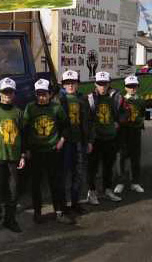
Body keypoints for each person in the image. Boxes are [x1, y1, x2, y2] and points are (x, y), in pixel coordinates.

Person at [24, 79, 74, 225]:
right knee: (36, 184)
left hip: (52, 150)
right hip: (36, 151)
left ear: (50, 94)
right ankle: (37, 213)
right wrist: (26, 149)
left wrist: (62, 140)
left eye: (44, 94)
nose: (41, 97)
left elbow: (66, 125)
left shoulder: (56, 108)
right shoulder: (30, 108)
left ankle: (59, 212)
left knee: (56, 183)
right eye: (39, 94)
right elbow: (25, 129)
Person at [0, 77, 25, 234]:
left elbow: (23, 135)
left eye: (10, 92)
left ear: (14, 94)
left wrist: (22, 155)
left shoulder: (18, 113)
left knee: (13, 192)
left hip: (14, 159)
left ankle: (10, 220)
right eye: (5, 92)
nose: (7, 94)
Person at [86, 71, 124, 204]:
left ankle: (108, 190)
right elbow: (87, 119)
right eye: (100, 84)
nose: (102, 87)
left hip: (111, 137)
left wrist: (118, 122)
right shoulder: (90, 98)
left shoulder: (115, 97)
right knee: (93, 167)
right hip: (96, 138)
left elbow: (123, 112)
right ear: (95, 84)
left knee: (108, 166)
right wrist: (90, 139)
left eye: (105, 84)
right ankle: (92, 192)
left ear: (109, 84)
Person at [58, 70, 92, 214]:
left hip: (79, 141)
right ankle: (63, 205)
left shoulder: (83, 99)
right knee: (64, 174)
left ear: (78, 84)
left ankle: (75, 203)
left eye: (73, 82)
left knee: (78, 174)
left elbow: (89, 122)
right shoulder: (58, 100)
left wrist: (90, 140)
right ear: (63, 85)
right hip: (65, 143)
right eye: (67, 83)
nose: (70, 85)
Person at [114, 75, 146, 194]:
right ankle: (120, 182)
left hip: (135, 131)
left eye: (134, 86)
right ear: (125, 87)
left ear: (137, 87)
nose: (132, 88)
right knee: (121, 157)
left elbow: (142, 114)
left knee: (135, 157)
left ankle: (135, 182)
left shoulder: (141, 100)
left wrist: (139, 123)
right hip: (123, 132)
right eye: (129, 86)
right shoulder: (121, 99)